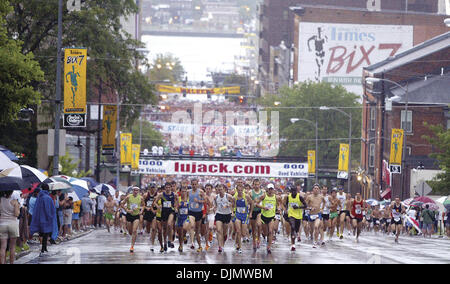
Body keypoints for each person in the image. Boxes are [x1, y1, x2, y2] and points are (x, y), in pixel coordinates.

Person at [30, 183, 56, 257]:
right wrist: (50, 217)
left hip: (40, 218)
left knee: (42, 233)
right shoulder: (47, 197)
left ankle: (43, 248)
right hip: (46, 218)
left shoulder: (39, 197)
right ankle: (44, 248)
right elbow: (49, 209)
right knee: (46, 234)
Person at [255, 183, 281, 254]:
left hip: (271, 217)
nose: (270, 190)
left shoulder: (276, 197)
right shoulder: (263, 196)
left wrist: (278, 208)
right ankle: (264, 239)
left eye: (271, 189)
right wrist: (263, 207)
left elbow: (279, 204)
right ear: (267, 189)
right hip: (264, 217)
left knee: (270, 231)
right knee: (266, 233)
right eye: (269, 189)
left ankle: (269, 247)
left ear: (273, 190)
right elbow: (256, 204)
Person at [154, 183, 178, 252]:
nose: (168, 189)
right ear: (165, 188)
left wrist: (176, 207)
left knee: (169, 224)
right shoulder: (161, 194)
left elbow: (177, 203)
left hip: (171, 211)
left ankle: (170, 240)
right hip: (164, 212)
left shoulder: (174, 194)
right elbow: (155, 202)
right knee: (164, 229)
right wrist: (158, 206)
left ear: (171, 188)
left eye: (169, 187)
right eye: (166, 187)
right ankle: (165, 242)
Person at [121, 186, 144, 253]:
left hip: (136, 215)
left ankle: (132, 246)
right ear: (132, 191)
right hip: (129, 215)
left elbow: (143, 205)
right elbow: (122, 204)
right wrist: (127, 210)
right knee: (130, 232)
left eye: (137, 190)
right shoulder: (128, 197)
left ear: (138, 191)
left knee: (134, 231)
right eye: (134, 190)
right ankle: (133, 236)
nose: (135, 192)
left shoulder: (141, 198)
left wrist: (141, 211)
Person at [284, 185, 307, 251]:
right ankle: (293, 245)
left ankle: (295, 235)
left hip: (298, 216)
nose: (294, 193)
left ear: (297, 191)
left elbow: (305, 206)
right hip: (291, 214)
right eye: (292, 191)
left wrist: (298, 207)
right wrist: (285, 211)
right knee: (292, 227)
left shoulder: (300, 197)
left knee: (296, 230)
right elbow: (286, 205)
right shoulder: (288, 197)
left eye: (295, 191)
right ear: (291, 192)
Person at [0, 190, 20, 264]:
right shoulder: (14, 201)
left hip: (2, 224)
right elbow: (16, 214)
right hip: (12, 224)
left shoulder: (0, 200)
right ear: (12, 192)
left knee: (3, 247)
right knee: (12, 247)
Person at [232, 183, 253, 254]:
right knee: (238, 231)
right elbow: (232, 205)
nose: (240, 191)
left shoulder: (246, 196)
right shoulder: (234, 198)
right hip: (237, 215)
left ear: (243, 190)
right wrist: (232, 212)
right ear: (236, 190)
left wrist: (250, 213)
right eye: (238, 190)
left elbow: (252, 203)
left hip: (245, 216)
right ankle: (239, 247)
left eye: (241, 190)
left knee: (243, 233)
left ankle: (237, 241)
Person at [188, 179, 207, 252]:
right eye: (193, 184)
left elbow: (206, 201)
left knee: (197, 230)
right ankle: (192, 243)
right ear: (191, 184)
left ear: (197, 184)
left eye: (195, 184)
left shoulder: (201, 192)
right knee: (192, 225)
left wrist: (199, 201)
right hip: (191, 212)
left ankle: (199, 246)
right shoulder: (188, 192)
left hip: (198, 212)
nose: (194, 186)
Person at [214, 183, 234, 253]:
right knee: (219, 230)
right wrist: (213, 209)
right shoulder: (216, 197)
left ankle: (223, 244)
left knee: (224, 233)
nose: (220, 191)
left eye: (221, 189)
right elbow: (215, 205)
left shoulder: (228, 196)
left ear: (224, 189)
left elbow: (233, 203)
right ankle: (220, 246)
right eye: (218, 189)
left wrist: (230, 206)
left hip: (227, 215)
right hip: (219, 214)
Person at [250, 179, 264, 251]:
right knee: (253, 228)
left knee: (259, 225)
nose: (256, 186)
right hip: (253, 211)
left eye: (258, 184)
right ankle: (254, 241)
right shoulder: (251, 193)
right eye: (255, 184)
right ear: (253, 185)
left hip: (259, 211)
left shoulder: (263, 192)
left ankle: (258, 239)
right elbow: (250, 202)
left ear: (260, 184)